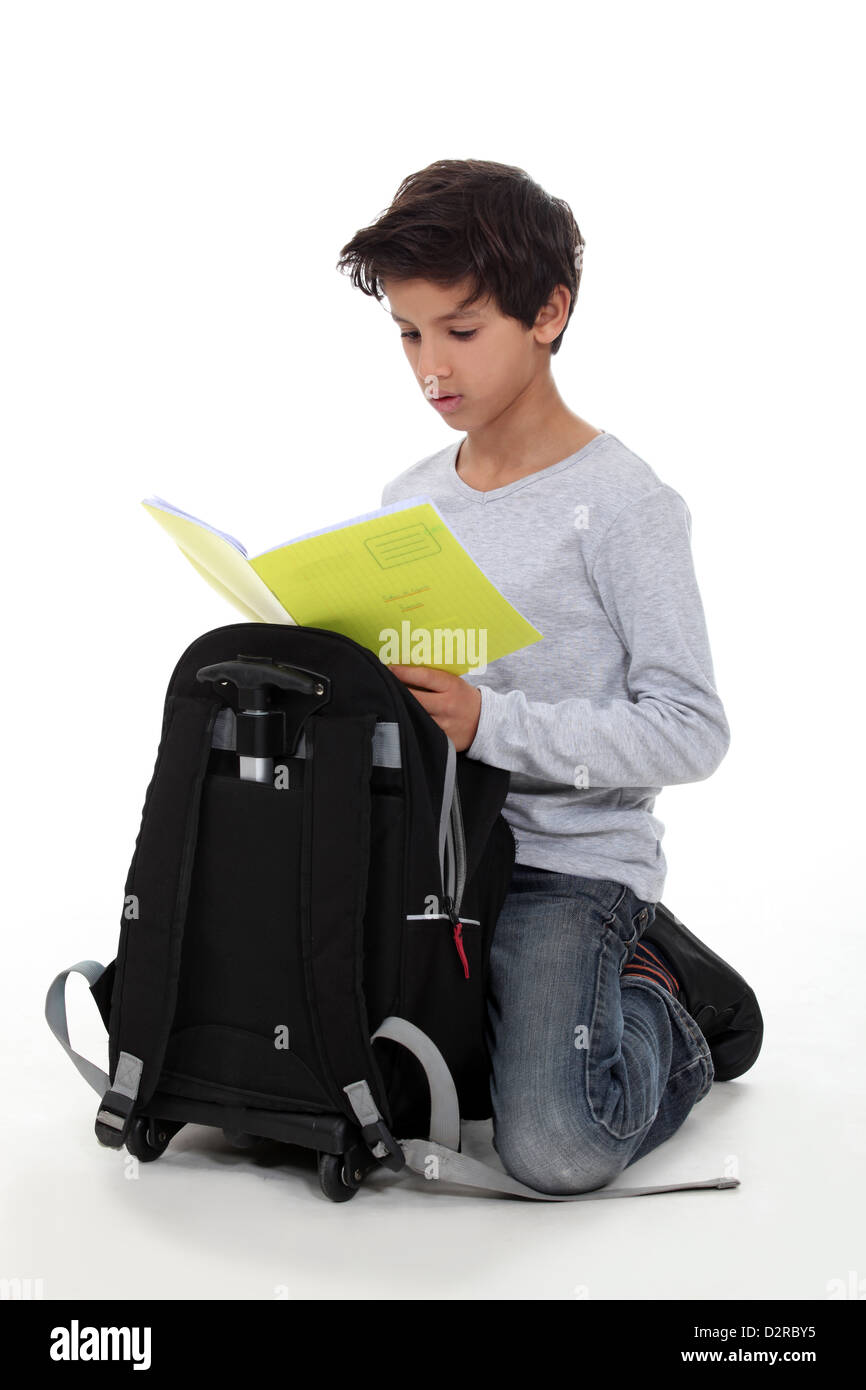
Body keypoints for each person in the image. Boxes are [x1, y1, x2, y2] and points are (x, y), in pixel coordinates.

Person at [336, 158, 757, 1196]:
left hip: (567, 866)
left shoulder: (622, 504)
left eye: (460, 331)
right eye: (407, 332)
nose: (430, 365)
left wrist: (492, 723)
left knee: (556, 1145)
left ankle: (669, 1002)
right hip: (431, 859)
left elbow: (689, 729)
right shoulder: (408, 499)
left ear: (547, 312)